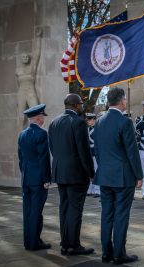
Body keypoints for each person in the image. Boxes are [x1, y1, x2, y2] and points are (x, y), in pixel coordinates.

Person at [93, 87, 143, 265]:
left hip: (105, 176)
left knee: (107, 214)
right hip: (123, 177)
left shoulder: (99, 122)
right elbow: (132, 152)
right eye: (125, 100)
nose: (126, 102)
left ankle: (106, 252)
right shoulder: (124, 122)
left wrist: (105, 168)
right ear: (121, 101)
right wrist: (139, 175)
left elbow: (97, 151)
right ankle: (118, 254)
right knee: (121, 215)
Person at [48, 94, 95, 255]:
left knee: (64, 208)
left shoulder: (54, 122)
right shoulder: (78, 123)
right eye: (81, 104)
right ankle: (73, 245)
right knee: (75, 210)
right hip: (76, 174)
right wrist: (91, 172)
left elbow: (53, 149)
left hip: (61, 172)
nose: (82, 106)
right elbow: (84, 151)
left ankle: (65, 243)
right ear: (75, 105)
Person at [17, 104, 51, 251]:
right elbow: (43, 159)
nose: (43, 119)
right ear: (38, 118)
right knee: (36, 212)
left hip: (26, 178)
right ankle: (34, 243)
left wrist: (24, 174)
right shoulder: (42, 134)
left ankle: (28, 241)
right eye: (42, 116)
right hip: (38, 180)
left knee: (28, 211)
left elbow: (21, 159)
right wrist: (46, 179)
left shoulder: (22, 134)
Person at [86, 113, 100, 198]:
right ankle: (90, 189)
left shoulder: (98, 129)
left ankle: (97, 190)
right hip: (89, 153)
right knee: (90, 172)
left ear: (94, 119)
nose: (88, 121)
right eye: (88, 120)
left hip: (96, 153)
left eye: (90, 120)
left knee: (97, 171)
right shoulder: (87, 129)